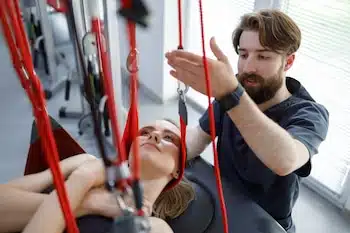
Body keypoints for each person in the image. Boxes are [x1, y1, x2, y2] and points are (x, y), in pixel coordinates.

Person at [165, 9, 329, 233]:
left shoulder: (309, 114)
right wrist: (161, 151)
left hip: (267, 225)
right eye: (243, 55)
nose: (248, 68)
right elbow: (197, 138)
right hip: (223, 205)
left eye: (263, 56)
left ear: (288, 62)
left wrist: (231, 94)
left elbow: (286, 160)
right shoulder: (235, 90)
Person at [0, 119, 195, 233]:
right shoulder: (86, 164)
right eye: (145, 132)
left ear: (178, 170)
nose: (154, 136)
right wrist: (88, 198)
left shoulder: (154, 229)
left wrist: (82, 188)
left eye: (169, 138)